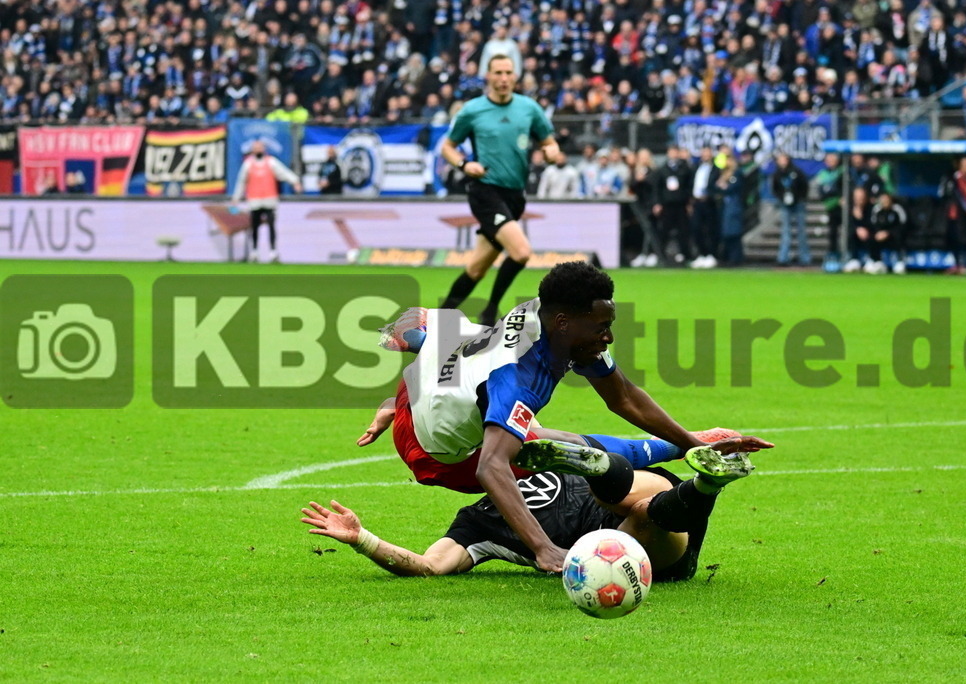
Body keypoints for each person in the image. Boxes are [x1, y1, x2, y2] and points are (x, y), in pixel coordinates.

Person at [371, 261, 773, 572]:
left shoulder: (553, 324)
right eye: (601, 327)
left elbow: (625, 398)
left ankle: (416, 356)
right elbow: (491, 468)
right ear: (563, 324)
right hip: (436, 453)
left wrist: (694, 445)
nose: (608, 337)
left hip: (445, 382)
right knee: (542, 445)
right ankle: (605, 455)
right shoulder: (518, 379)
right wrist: (544, 548)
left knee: (437, 329)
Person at [301, 433, 758, 581]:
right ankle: (709, 484)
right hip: (645, 550)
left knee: (613, 486)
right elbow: (429, 565)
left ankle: (690, 475)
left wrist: (696, 440)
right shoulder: (477, 523)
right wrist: (363, 539)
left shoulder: (535, 448)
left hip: (645, 489)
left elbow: (635, 445)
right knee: (632, 516)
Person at [438, 54, 560, 326]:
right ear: (488, 77)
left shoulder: (529, 109)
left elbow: (550, 143)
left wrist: (552, 152)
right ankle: (490, 311)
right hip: (485, 192)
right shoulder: (472, 110)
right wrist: (464, 164)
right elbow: (447, 147)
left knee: (477, 268)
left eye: (508, 73)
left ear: (515, 76)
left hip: (515, 197)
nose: (504, 79)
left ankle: (439, 320)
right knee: (521, 252)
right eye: (498, 73)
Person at [231, 139, 303, 263]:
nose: (258, 150)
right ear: (252, 150)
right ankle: (254, 252)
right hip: (254, 201)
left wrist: (295, 181)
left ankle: (273, 252)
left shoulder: (271, 162)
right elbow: (241, 181)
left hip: (269, 200)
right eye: (256, 148)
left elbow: (283, 173)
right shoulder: (248, 164)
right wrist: (236, 197)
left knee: (271, 226)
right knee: (254, 227)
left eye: (260, 147)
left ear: (264, 149)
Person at [652, 144, 693, 266]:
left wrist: (688, 202)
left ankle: (685, 255)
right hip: (667, 204)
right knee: (663, 231)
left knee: (683, 231)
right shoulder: (662, 169)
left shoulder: (684, 168)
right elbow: (657, 188)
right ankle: (660, 255)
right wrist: (657, 203)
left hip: (680, 204)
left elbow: (688, 187)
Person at [771, 152, 811, 266]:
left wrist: (800, 198)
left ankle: (805, 258)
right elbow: (775, 189)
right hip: (785, 204)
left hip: (798, 203)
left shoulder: (796, 172)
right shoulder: (777, 174)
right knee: (786, 232)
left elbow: (804, 186)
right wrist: (782, 198)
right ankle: (783, 258)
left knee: (801, 232)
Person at [813, 153, 844, 270]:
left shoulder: (842, 171)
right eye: (828, 159)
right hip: (831, 206)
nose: (830, 161)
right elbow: (822, 192)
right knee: (833, 232)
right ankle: (833, 255)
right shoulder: (823, 174)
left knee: (849, 230)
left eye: (833, 159)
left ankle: (850, 254)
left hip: (843, 206)